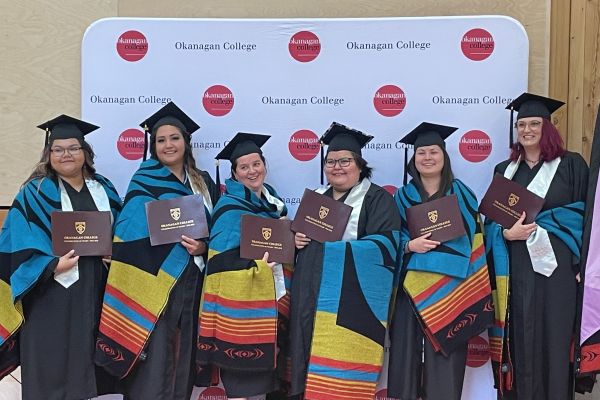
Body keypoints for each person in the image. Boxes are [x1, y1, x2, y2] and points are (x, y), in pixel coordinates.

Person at [94, 102, 220, 400]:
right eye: (161, 140)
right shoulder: (145, 179)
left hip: (193, 276)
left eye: (174, 138)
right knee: (156, 350)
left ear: (186, 142)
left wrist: (204, 247)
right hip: (154, 277)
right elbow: (129, 228)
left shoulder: (203, 182)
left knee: (184, 351)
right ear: (153, 146)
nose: (168, 145)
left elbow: (219, 228)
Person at [0, 115, 122, 400]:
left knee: (89, 366)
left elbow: (122, 231)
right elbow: (16, 238)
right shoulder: (35, 192)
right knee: (51, 365)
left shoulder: (105, 189)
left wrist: (115, 252)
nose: (66, 154)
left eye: (73, 148)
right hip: (50, 295)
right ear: (49, 154)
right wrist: (52, 265)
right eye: (58, 149)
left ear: (85, 153)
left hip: (97, 290)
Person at [486, 93, 588, 400]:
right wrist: (505, 235)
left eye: (534, 123)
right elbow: (490, 222)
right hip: (517, 267)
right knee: (519, 339)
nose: (527, 130)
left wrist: (584, 266)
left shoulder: (571, 165)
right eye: (521, 125)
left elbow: (586, 217)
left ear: (548, 127)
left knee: (555, 339)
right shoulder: (505, 170)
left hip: (558, 271)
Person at [289, 122, 402, 400]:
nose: (337, 167)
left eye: (345, 161)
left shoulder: (378, 200)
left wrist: (337, 250)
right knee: (305, 358)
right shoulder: (316, 199)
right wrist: (296, 240)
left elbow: (386, 247)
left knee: (341, 375)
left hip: (349, 302)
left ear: (360, 165)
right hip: (309, 293)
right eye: (331, 161)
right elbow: (298, 245)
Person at [387, 122, 494, 400]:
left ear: (444, 157)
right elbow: (388, 237)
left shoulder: (461, 193)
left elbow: (477, 240)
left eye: (433, 152)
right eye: (421, 153)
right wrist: (410, 244)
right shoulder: (402, 196)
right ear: (414, 159)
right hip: (410, 289)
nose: (427, 158)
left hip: (452, 289)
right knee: (405, 356)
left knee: (446, 361)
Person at [196, 132, 291, 400]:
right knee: (241, 389)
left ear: (264, 165)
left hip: (271, 309)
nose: (252, 171)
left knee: (264, 389)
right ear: (235, 174)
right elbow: (219, 264)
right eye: (244, 167)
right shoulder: (229, 208)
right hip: (239, 316)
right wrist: (256, 266)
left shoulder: (274, 205)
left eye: (256, 164)